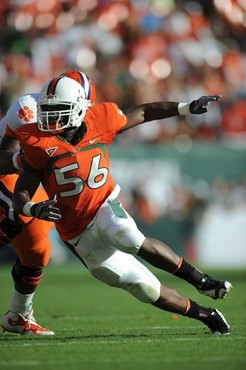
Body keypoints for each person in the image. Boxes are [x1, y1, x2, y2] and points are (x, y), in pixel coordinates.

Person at [13, 75, 232, 335]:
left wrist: (185, 107)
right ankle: (207, 315)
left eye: (59, 110)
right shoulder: (37, 141)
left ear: (81, 108)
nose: (51, 118)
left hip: (103, 204)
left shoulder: (100, 119)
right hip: (76, 233)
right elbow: (22, 192)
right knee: (142, 286)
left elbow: (144, 111)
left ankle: (201, 280)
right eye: (47, 111)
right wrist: (33, 209)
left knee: (126, 234)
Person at [0, 71, 95, 335]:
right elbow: (2, 159)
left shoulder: (89, 120)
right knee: (12, 217)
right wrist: (24, 160)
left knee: (38, 249)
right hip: (7, 174)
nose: (55, 114)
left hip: (27, 180)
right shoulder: (27, 109)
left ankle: (19, 315)